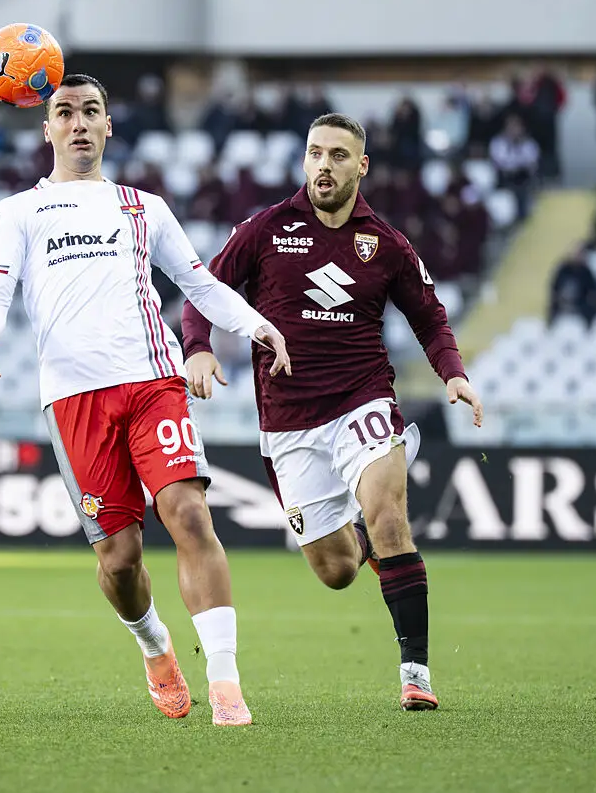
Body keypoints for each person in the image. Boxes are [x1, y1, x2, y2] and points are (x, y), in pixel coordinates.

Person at [0, 73, 290, 727]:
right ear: (48, 127)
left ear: (109, 126)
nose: (79, 121)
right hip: (75, 400)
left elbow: (197, 282)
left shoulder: (144, 206)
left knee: (190, 514)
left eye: (91, 111)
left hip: (152, 380)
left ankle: (225, 684)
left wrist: (255, 323)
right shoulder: (19, 212)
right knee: (118, 561)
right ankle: (155, 645)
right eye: (65, 112)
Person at [181, 113, 484, 712]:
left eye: (338, 155)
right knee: (337, 569)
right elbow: (204, 289)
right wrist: (197, 348)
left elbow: (428, 315)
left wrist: (453, 374)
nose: (324, 165)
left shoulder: (387, 243)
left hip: (363, 397)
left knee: (393, 520)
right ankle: (362, 532)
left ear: (361, 166)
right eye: (315, 153)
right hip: (289, 422)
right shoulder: (265, 229)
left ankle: (416, 673)